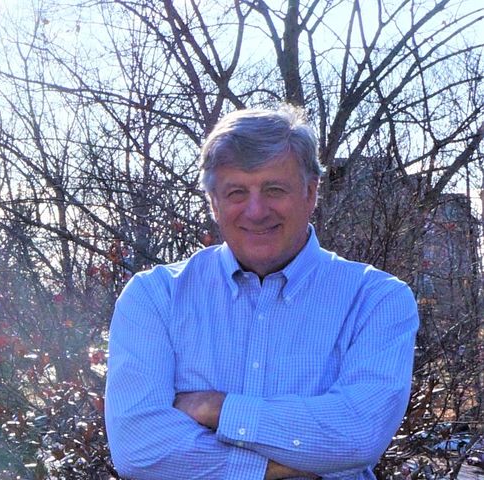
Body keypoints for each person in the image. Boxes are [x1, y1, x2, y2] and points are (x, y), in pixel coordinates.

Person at [104, 105, 418, 479]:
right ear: (214, 203)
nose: (256, 211)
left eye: (274, 189)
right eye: (236, 192)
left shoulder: (375, 300)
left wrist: (217, 409)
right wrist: (272, 468)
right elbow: (138, 448)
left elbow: (357, 434)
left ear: (311, 193)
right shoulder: (154, 297)